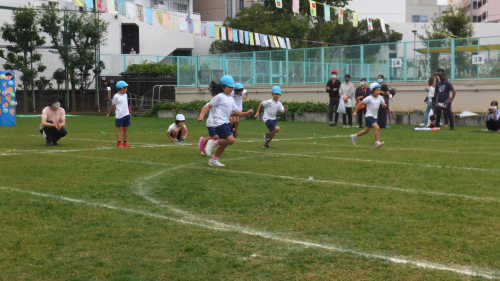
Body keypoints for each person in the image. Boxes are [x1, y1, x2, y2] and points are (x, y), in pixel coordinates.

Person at [199, 75, 254, 167]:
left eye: (232, 87)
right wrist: (201, 115)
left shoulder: (231, 99)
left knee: (225, 143)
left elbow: (236, 112)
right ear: (223, 87)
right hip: (219, 123)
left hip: (226, 123)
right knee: (231, 140)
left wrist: (246, 113)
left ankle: (213, 160)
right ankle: (213, 142)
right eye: (229, 87)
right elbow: (208, 106)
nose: (231, 89)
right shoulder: (219, 96)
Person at [350, 83, 387, 149]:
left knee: (366, 131)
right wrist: (355, 111)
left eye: (380, 90)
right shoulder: (369, 98)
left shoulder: (380, 97)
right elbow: (360, 104)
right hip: (369, 116)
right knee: (377, 127)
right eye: (377, 90)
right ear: (372, 91)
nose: (379, 92)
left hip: (374, 117)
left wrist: (384, 105)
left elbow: (383, 104)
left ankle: (354, 136)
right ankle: (377, 143)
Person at [106, 81, 131, 147]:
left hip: (126, 114)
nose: (127, 89)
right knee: (120, 129)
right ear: (122, 88)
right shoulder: (116, 96)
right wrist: (109, 113)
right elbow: (113, 105)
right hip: (120, 115)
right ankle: (119, 142)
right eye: (126, 88)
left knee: (126, 129)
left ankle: (125, 142)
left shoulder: (125, 95)